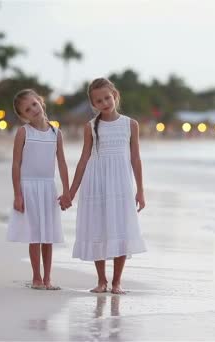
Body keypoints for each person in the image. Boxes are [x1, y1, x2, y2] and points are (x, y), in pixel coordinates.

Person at [70, 78, 147, 294]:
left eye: (107, 97)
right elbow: (84, 159)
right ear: (93, 104)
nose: (104, 102)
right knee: (99, 228)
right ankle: (102, 280)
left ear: (115, 95)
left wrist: (140, 191)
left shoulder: (130, 124)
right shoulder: (91, 127)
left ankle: (117, 282)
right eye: (98, 101)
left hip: (120, 185)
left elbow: (136, 159)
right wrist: (72, 191)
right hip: (96, 185)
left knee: (120, 229)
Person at [7, 89, 72, 290]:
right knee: (35, 235)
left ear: (40, 102)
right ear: (23, 115)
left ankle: (48, 278)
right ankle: (36, 277)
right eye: (27, 109)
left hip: (48, 188)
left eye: (34, 104)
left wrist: (67, 191)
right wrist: (17, 194)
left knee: (48, 235)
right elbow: (16, 164)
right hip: (29, 188)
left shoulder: (56, 133)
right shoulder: (23, 132)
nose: (32, 110)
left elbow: (61, 163)